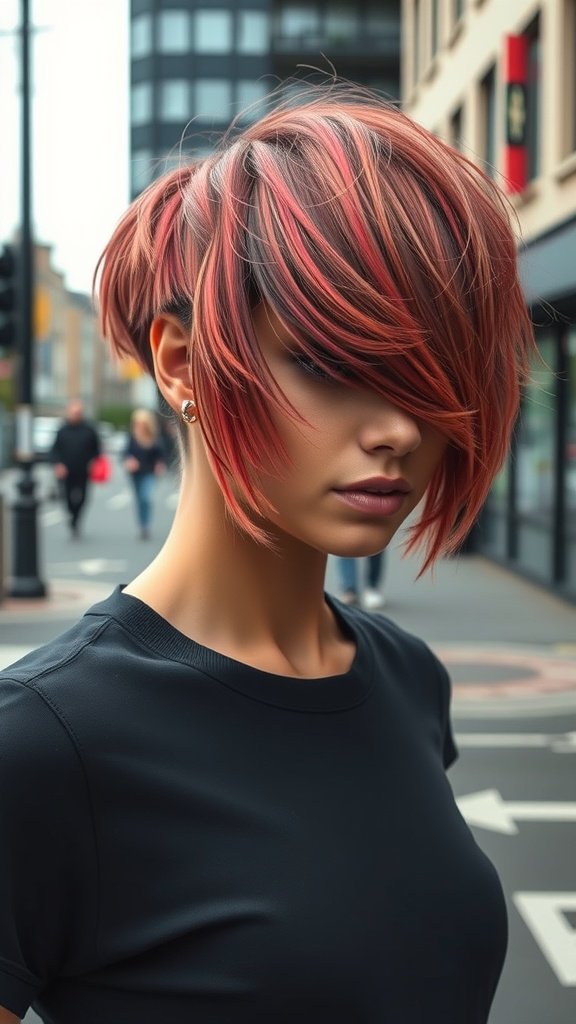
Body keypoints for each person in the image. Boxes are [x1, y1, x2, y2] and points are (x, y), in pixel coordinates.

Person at [0, 84, 534, 1024]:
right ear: (178, 362)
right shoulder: (41, 746)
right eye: (331, 364)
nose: (402, 428)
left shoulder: (408, 680)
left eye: (435, 375)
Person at [50, 397, 101, 537]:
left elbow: (97, 450)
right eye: (73, 412)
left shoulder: (89, 430)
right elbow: (55, 450)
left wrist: (93, 462)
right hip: (66, 471)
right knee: (66, 497)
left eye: (78, 412)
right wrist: (58, 464)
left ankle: (76, 518)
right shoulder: (62, 430)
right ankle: (72, 516)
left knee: (83, 497)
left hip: (84, 470)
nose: (75, 415)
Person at [123, 407, 166, 539]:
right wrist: (129, 460)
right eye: (136, 423)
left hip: (149, 473)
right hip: (135, 474)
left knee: (146, 497)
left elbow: (161, 454)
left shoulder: (154, 437)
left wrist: (160, 464)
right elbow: (126, 453)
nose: (138, 426)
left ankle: (146, 524)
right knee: (139, 499)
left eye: (141, 423)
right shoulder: (132, 437)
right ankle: (142, 525)